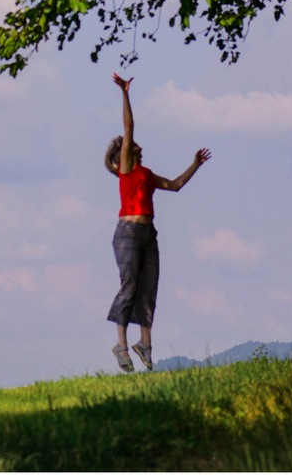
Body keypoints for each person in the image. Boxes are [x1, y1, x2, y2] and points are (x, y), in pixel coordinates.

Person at [105, 73, 211, 372]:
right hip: (127, 233)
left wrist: (196, 164)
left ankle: (145, 345)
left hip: (148, 233)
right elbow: (129, 126)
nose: (137, 145)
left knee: (149, 288)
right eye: (132, 144)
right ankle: (121, 344)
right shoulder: (127, 168)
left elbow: (176, 185)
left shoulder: (147, 174)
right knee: (130, 286)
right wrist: (125, 92)